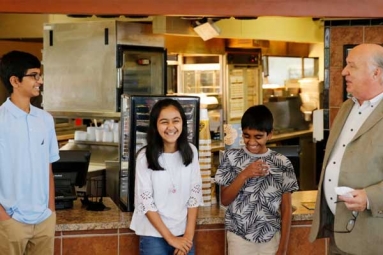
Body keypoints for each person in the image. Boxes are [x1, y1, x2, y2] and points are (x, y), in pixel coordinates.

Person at [309, 43, 383, 255]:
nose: (344, 72)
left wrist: (370, 196)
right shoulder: (346, 108)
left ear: (376, 72)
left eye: (352, 66)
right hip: (339, 233)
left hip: (373, 239)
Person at [215, 105, 299, 255]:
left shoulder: (282, 163)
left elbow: (286, 210)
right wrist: (244, 174)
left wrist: (283, 248)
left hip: (271, 238)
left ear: (270, 134)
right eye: (247, 136)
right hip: (239, 238)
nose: (251, 142)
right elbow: (225, 200)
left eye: (258, 136)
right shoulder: (231, 158)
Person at [0, 50, 60, 255]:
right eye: (34, 75)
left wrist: (50, 210)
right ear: (15, 81)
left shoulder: (45, 119)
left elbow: (48, 167)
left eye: (40, 75)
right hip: (10, 221)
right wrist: (3, 217)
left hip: (44, 220)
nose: (39, 80)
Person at [129, 98, 203, 255]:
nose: (171, 127)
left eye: (176, 121)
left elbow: (194, 195)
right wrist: (170, 238)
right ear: (155, 125)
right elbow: (146, 202)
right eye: (164, 122)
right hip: (153, 235)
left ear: (183, 123)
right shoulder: (145, 157)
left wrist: (187, 237)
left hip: (184, 233)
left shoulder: (191, 151)